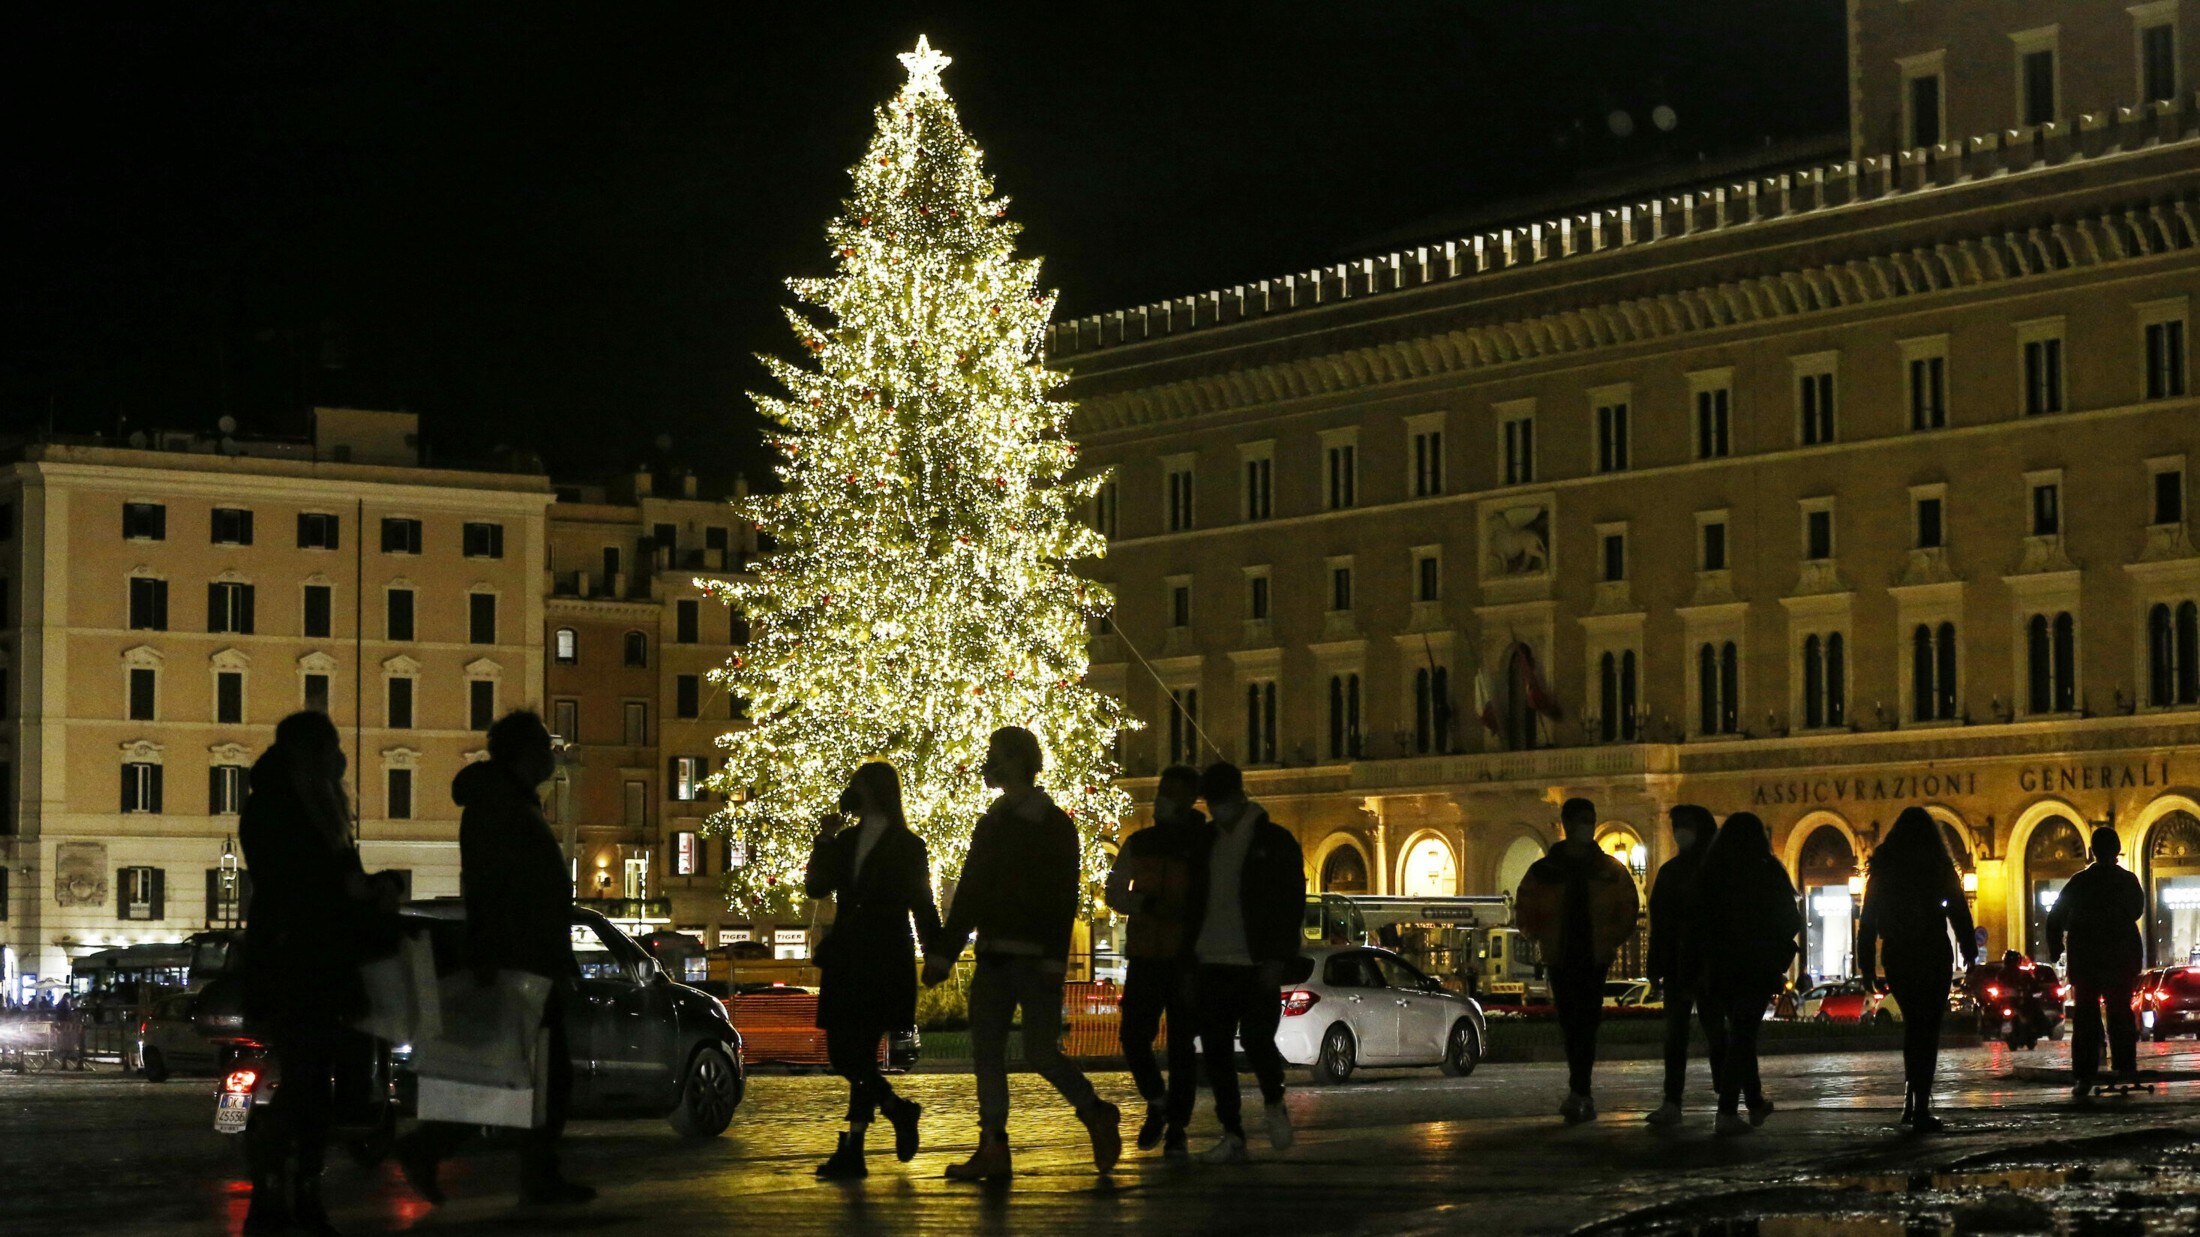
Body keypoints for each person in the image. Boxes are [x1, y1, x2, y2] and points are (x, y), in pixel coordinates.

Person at [398, 711, 594, 1208]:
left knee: (523, 1069)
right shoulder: (502, 806)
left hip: (524, 952)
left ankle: (528, 1171)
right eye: (545, 748)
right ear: (525, 754)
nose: (553, 757)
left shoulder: (502, 801)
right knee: (520, 1069)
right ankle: (436, 1148)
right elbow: (501, 885)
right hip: (521, 955)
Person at [923, 726, 1120, 1181]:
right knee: (987, 1053)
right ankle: (993, 1144)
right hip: (994, 955)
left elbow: (1062, 896)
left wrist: (1055, 957)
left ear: (1019, 762)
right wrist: (946, 953)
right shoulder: (991, 823)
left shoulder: (1053, 825)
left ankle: (1095, 1111)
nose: (989, 763)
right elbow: (970, 892)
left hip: (1034, 959)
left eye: (997, 755)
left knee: (1040, 1051)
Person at [237, 710, 401, 1236]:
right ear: (311, 753)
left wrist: (363, 886)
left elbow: (324, 880)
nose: (341, 759)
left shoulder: (300, 803)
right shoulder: (287, 807)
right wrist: (354, 889)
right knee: (309, 1083)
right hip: (300, 963)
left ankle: (292, 1188)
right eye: (331, 747)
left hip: (312, 960)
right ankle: (283, 1188)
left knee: (315, 1083)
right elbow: (302, 884)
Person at [807, 761, 941, 1179]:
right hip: (849, 956)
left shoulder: (906, 844)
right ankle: (896, 1110)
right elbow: (816, 886)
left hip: (881, 957)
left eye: (857, 783)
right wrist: (824, 839)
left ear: (873, 791)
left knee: (856, 1054)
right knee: (848, 1056)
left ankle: (855, 1147)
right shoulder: (846, 841)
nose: (851, 790)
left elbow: (922, 904)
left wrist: (936, 953)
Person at [1186, 761, 1306, 1164]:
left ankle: (1274, 1100)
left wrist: (1277, 957)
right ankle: (1232, 1132)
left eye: (1220, 800)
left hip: (1255, 962)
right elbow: (1193, 901)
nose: (1216, 808)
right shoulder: (1205, 843)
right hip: (1213, 959)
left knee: (1257, 1040)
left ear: (1238, 796)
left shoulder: (1274, 841)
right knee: (1217, 1049)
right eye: (1211, 801)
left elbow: (1290, 903)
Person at [1103, 764, 1211, 1159]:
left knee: (1182, 1046)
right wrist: (1143, 903)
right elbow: (1113, 891)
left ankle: (1176, 1127)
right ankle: (1157, 1100)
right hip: (1146, 954)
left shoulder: (1202, 843)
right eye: (1162, 789)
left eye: (1171, 792)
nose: (1162, 798)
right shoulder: (1140, 842)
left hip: (1185, 957)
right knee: (1133, 1036)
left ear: (1187, 800)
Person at [1515, 796, 1639, 1124]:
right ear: (1568, 824)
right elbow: (1524, 909)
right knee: (1573, 1024)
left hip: (1593, 956)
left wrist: (1611, 940)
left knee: (1585, 1024)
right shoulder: (1547, 870)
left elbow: (1628, 908)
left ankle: (1580, 1089)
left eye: (1590, 819)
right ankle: (1580, 1088)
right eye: (1582, 820)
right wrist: (1540, 936)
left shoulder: (1608, 870)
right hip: (1562, 955)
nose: (1587, 826)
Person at [1687, 810, 1801, 1136]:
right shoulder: (1767, 871)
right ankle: (1726, 1112)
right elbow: (1790, 919)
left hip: (1720, 967)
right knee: (1743, 1034)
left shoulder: (1710, 873)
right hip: (1755, 964)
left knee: (1740, 1033)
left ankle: (1753, 1101)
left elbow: (1695, 923)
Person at [2044, 825, 2145, 1099]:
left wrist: (2055, 949)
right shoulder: (2128, 881)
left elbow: (2055, 917)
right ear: (2117, 851)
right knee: (2120, 1012)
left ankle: (2085, 1074)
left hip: (2086, 958)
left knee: (2086, 1016)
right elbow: (2137, 910)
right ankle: (2125, 1066)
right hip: (2120, 957)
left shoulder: (2079, 882)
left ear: (2092, 850)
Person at [1643, 804, 1719, 1127]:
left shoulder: (1715, 870)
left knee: (1716, 1032)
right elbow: (1657, 923)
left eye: (1685, 825)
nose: (1679, 832)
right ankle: (1672, 1100)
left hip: (1708, 966)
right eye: (1676, 826)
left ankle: (1726, 1097)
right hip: (1677, 966)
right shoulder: (1670, 872)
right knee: (1676, 1037)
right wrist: (1655, 965)